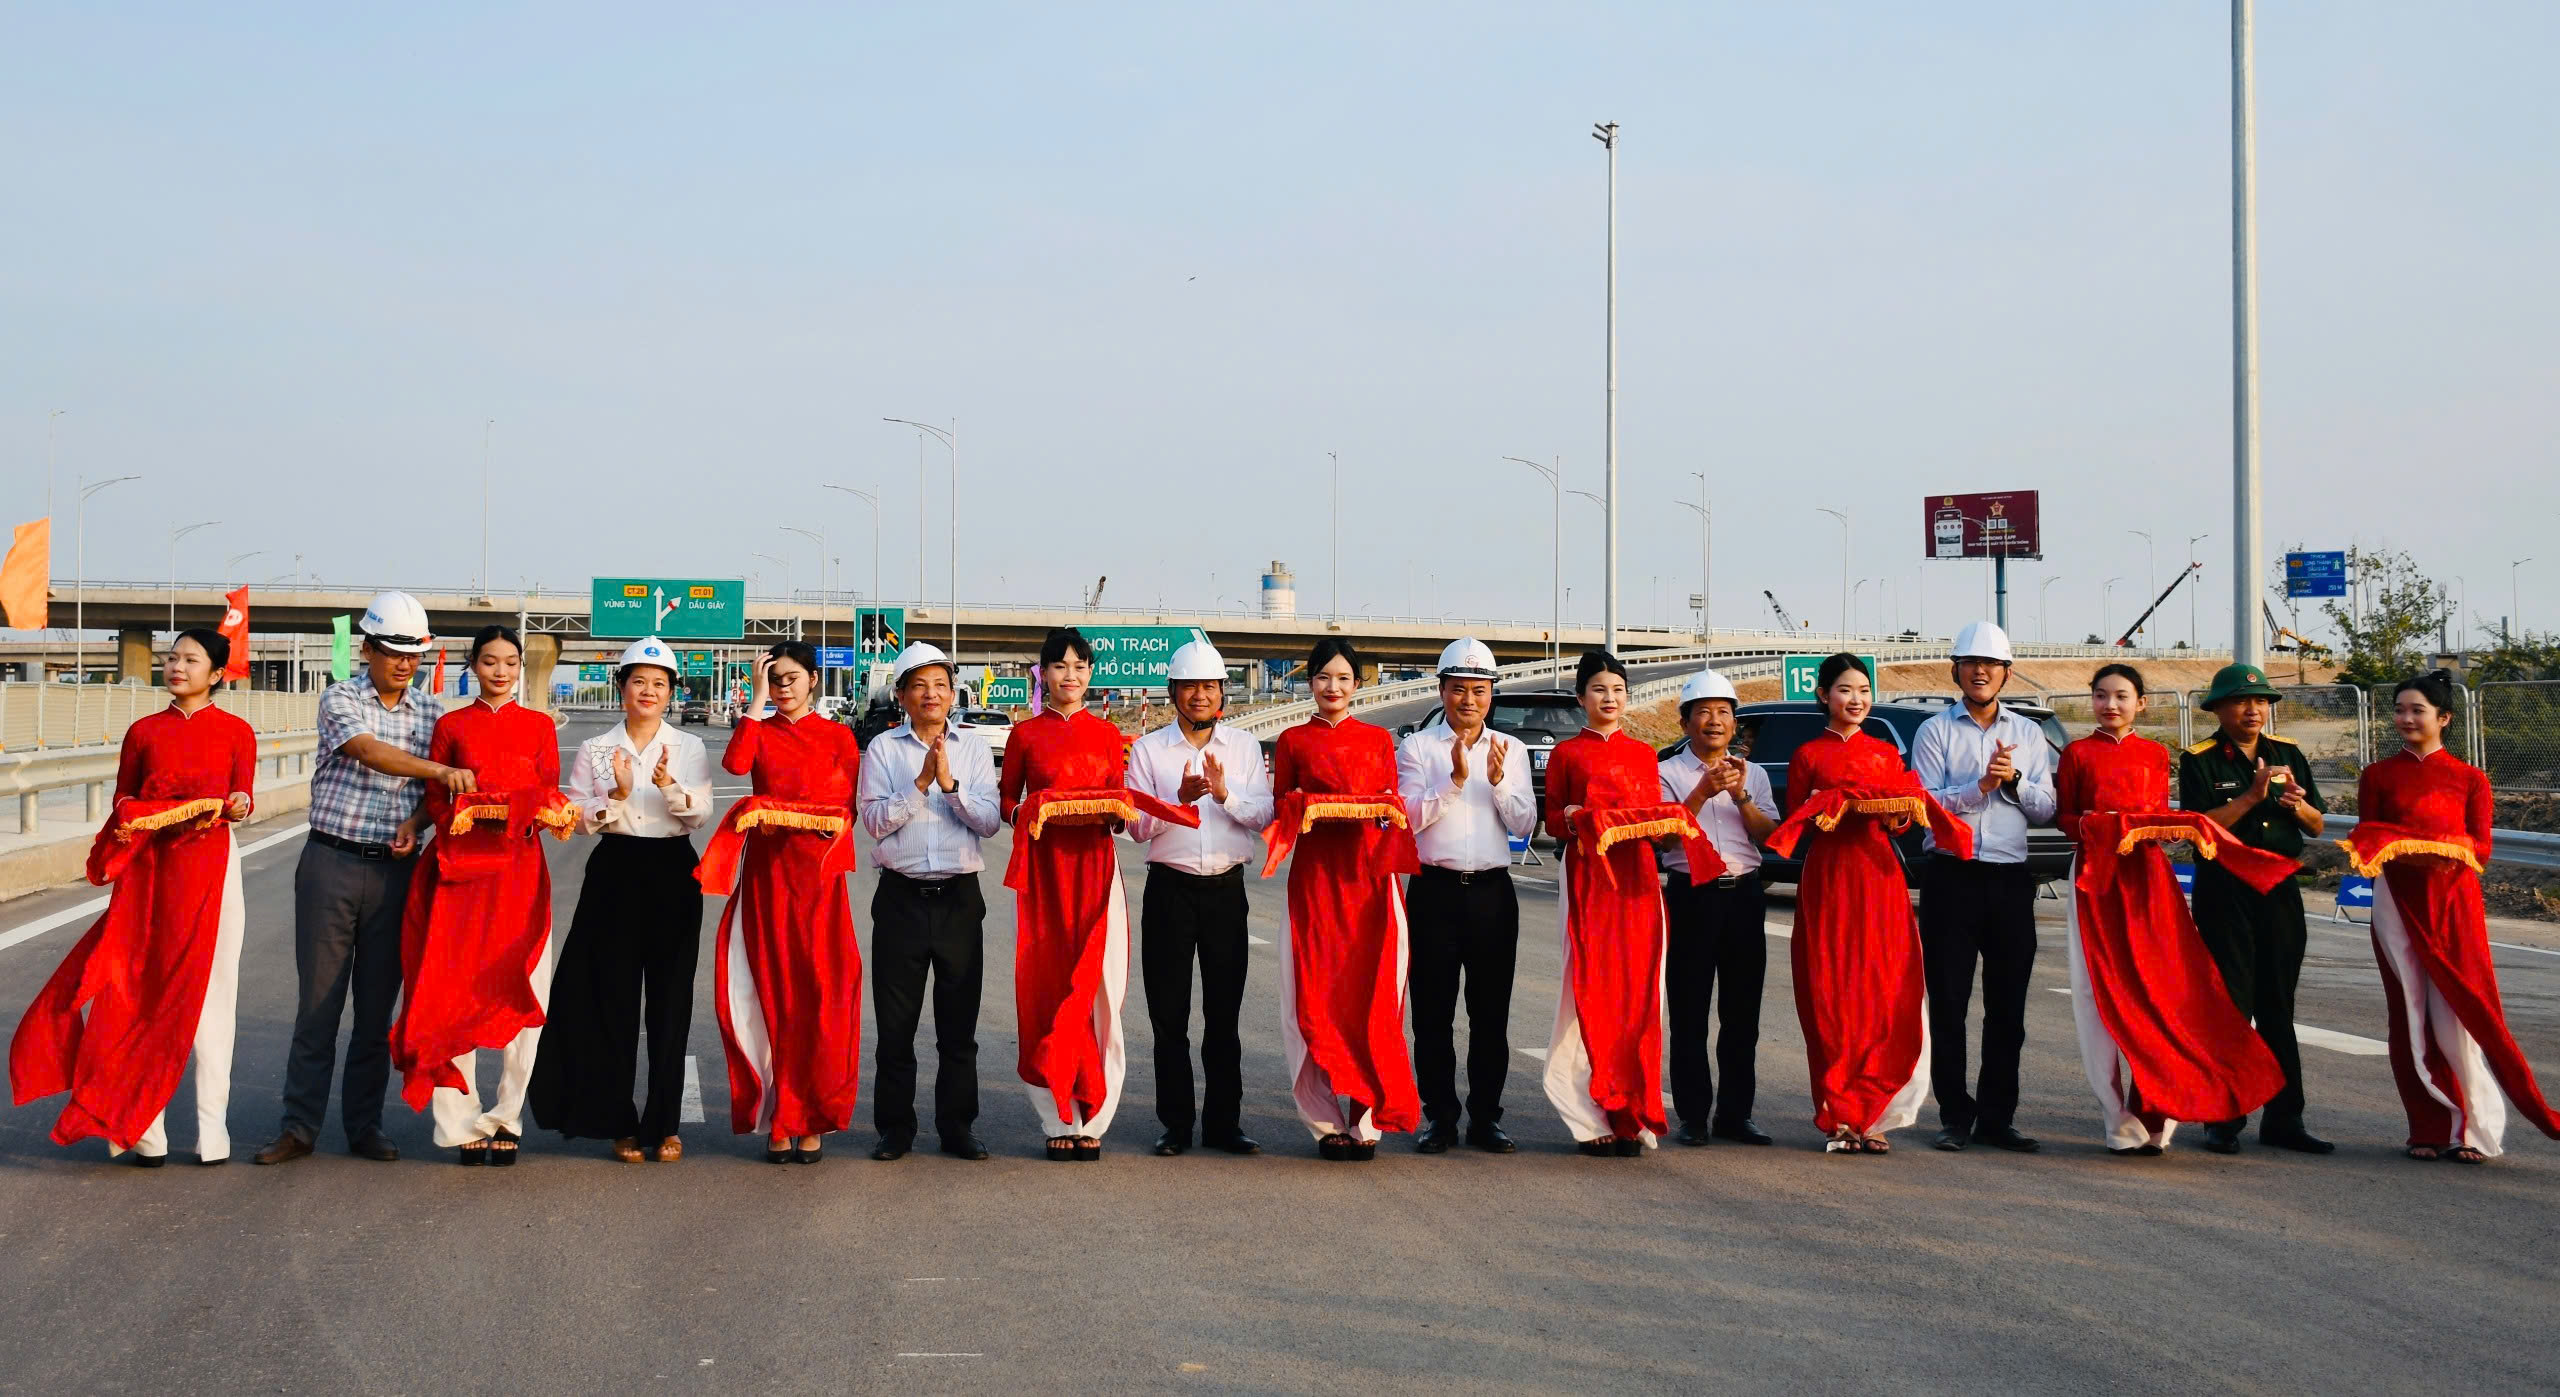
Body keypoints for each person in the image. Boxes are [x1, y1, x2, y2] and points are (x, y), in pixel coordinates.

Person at [12, 629, 256, 1166]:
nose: (176, 666)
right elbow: (124, 794)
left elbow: (244, 793)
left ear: (216, 674)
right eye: (172, 658)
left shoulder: (237, 731)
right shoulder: (144, 731)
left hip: (213, 870)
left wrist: (236, 803)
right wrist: (136, 813)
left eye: (191, 660)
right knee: (141, 991)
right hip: (150, 875)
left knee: (214, 996)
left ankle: (212, 1128)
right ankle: (143, 1128)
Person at [258, 590, 470, 1166]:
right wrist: (443, 769)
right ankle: (298, 1127)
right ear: (368, 649)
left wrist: (419, 816)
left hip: (396, 872)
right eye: (393, 650)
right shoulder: (339, 698)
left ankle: (363, 1126)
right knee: (318, 1008)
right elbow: (368, 750)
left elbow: (436, 795)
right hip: (331, 864)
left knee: (376, 1010)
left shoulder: (433, 713)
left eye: (414, 653)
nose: (404, 663)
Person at [2055, 663, 2289, 1155]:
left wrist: (2151, 828)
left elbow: (2161, 814)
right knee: (2101, 996)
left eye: (2122, 696)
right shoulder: (2077, 753)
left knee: (2161, 993)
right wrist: (2103, 825)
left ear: (2142, 703)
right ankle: (2116, 1119)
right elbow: (2065, 818)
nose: (2110, 705)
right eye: (2101, 696)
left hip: (2149, 880)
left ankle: (2158, 1112)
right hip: (2095, 878)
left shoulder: (2156, 754)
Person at [1764, 653, 1972, 1154]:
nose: (1855, 700)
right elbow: (1798, 822)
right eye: (1844, 690)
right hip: (1830, 877)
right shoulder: (1807, 755)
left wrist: (1899, 814)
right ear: (1823, 696)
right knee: (1832, 995)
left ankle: (1875, 1113)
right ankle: (1838, 1112)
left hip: (1880, 878)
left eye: (1862, 690)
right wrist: (1827, 807)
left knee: (1882, 991)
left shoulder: (1884, 752)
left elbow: (1904, 817)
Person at [1001, 628, 1194, 1160]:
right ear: (1042, 673)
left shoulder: (1109, 735)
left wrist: (1112, 812)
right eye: (1059, 666)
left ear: (1090, 674)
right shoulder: (1024, 735)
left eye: (1080, 666)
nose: (1070, 675)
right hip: (1043, 878)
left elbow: (1119, 808)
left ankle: (1095, 1113)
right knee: (1045, 987)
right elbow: (1006, 806)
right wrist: (1034, 812)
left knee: (1096, 988)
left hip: (1095, 873)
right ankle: (1056, 1114)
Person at [2352, 670, 2560, 1163]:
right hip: (2397, 903)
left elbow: (2481, 849)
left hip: (2453, 903)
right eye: (2399, 709)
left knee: (2461, 1016)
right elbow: (2366, 838)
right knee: (2408, 1014)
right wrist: (2400, 849)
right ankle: (2425, 1127)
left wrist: (2435, 849)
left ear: (2444, 718)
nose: (2405, 718)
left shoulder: (2470, 778)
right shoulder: (2378, 775)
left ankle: (2473, 1131)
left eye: (2416, 710)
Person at [388, 626, 572, 1165]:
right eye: (489, 661)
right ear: (472, 665)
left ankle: (508, 1117)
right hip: (460, 875)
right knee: (455, 995)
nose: (500, 671)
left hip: (518, 875)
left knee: (523, 992)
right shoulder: (451, 725)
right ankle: (458, 1122)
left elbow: (549, 792)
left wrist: (533, 812)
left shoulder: (539, 726)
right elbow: (436, 800)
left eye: (510, 662)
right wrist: (467, 814)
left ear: (521, 668)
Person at [529, 636, 713, 1163]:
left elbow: (698, 814)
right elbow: (577, 819)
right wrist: (617, 796)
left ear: (671, 691)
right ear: (623, 687)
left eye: (659, 683)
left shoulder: (689, 748)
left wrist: (669, 785)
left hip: (673, 870)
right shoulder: (596, 749)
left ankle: (666, 1124)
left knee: (670, 1001)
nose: (648, 691)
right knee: (612, 1001)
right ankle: (619, 1121)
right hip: (614, 869)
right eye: (639, 681)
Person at [1541, 650, 1720, 1157]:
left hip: (1640, 885)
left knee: (1638, 1000)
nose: (1610, 698)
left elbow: (1656, 826)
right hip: (1589, 883)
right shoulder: (1567, 754)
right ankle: (1589, 1114)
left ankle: (1631, 1113)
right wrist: (1574, 815)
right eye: (1599, 689)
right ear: (1581, 699)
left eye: (1618, 689)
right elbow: (1553, 819)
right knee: (1591, 993)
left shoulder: (1645, 754)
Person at [699, 641, 864, 1164]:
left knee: (818, 997)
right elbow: (734, 763)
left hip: (820, 884)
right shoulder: (762, 732)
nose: (783, 686)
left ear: (814, 679)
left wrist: (809, 821)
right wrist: (752, 702)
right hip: (767, 884)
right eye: (774, 679)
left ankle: (811, 1114)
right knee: (772, 994)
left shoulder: (839, 737)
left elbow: (847, 811)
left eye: (792, 676)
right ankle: (779, 1114)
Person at [1265, 637, 1421, 1160]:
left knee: (1366, 997)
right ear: (1309, 683)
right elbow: (1280, 808)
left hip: (1368, 882)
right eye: (1324, 678)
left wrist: (1380, 809)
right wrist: (1303, 804)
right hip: (1315, 883)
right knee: (1316, 996)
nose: (1333, 687)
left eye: (1344, 678)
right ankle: (1325, 1118)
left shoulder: (1377, 740)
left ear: (1359, 684)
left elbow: (1390, 805)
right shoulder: (1291, 740)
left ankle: (1366, 1117)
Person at [1910, 621, 2057, 1154]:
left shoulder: (2029, 734)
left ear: (2006, 673)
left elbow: (2047, 809)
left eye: (1991, 665)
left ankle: (1998, 1116)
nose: (1980, 672)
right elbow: (1925, 806)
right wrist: (1981, 787)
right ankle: (1955, 1115)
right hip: (1952, 877)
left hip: (2010, 879)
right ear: (1956, 671)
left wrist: (2014, 782)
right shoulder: (1934, 731)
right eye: (1971, 663)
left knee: (2008, 1006)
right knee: (1949, 1002)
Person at [855, 641, 1003, 1163]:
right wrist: (919, 785)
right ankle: (895, 1129)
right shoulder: (882, 750)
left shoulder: (974, 748)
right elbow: (872, 823)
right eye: (919, 685)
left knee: (958, 1027)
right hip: (900, 900)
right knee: (896, 1026)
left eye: (940, 684)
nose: (931, 694)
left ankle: (957, 1127)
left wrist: (951, 785)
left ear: (952, 691)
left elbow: (989, 821)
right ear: (901, 695)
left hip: (960, 900)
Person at [1128, 639, 1275, 1157]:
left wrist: (1222, 795)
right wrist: (1177, 802)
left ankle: (1224, 1123)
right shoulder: (1147, 751)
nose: (1199, 696)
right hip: (1169, 890)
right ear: (1172, 693)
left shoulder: (1244, 748)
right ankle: (1176, 1123)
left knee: (1223, 1015)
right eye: (1189, 686)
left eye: (1209, 687)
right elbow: (1136, 828)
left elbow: (1262, 817)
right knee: (1168, 1016)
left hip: (1224, 893)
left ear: (1222, 696)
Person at [2178, 662, 2333, 1155]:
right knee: (2231, 1007)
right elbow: (2198, 828)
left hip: (2280, 890)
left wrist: (2295, 806)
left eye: (2262, 701)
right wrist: (2250, 796)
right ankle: (2223, 1117)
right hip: (2227, 892)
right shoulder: (2200, 759)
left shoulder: (2288, 753)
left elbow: (2317, 825)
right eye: (2243, 702)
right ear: (2219, 709)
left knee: (2278, 1006)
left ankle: (2286, 1119)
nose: (2254, 710)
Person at [1396, 637, 1536, 1155]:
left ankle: (1486, 1118)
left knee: (1490, 1012)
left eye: (1479, 690)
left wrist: (1498, 783)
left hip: (1493, 895)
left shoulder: (1511, 750)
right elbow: (1408, 819)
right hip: (1434, 891)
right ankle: (1439, 1116)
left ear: (1492, 694)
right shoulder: (1416, 748)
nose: (1469, 700)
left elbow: (1525, 824)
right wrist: (1454, 781)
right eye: (1459, 690)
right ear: (1442, 691)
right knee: (1432, 1012)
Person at [1656, 667, 1778, 1148]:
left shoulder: (1757, 773)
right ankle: (1691, 1115)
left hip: (1744, 894)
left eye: (1723, 713)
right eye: (1703, 713)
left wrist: (1739, 794)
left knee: (1742, 1012)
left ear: (1734, 723)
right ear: (1685, 722)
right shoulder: (1665, 771)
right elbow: (1663, 836)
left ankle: (1736, 1114)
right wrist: (1703, 791)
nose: (1714, 721)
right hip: (1691, 895)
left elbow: (1770, 836)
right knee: (1689, 1010)